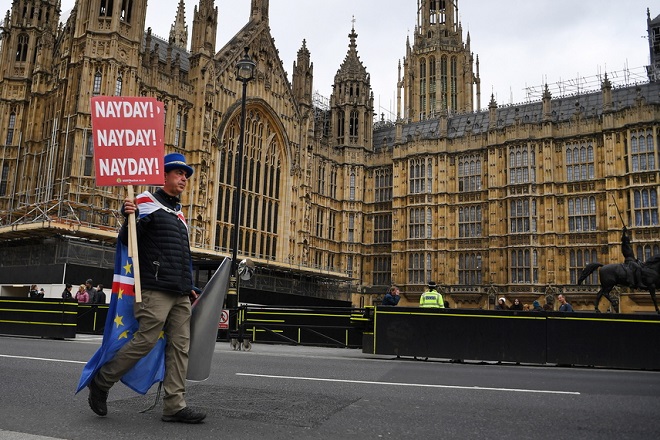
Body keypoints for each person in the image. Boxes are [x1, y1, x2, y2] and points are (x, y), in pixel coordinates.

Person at [87, 153, 206, 424]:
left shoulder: (179, 214)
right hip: (154, 287)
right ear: (163, 175)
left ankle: (174, 405)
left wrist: (189, 285)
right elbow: (128, 240)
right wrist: (128, 216)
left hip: (179, 290)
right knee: (146, 340)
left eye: (186, 174)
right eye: (179, 173)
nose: (184, 178)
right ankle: (102, 381)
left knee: (180, 347)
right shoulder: (146, 202)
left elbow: (181, 255)